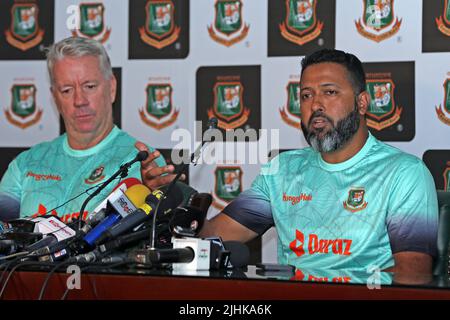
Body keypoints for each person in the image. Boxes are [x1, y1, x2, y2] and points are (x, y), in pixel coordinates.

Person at [200, 49, 439, 275]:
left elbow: (412, 274)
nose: (315, 105)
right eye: (306, 95)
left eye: (330, 92)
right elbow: (212, 235)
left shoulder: (404, 173)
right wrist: (170, 200)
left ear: (362, 103)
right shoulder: (282, 170)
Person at [0, 37, 180, 223]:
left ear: (111, 88)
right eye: (67, 90)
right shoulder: (26, 164)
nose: (79, 100)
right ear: (55, 97)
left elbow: (163, 237)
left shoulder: (142, 161)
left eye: (89, 86)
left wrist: (156, 201)